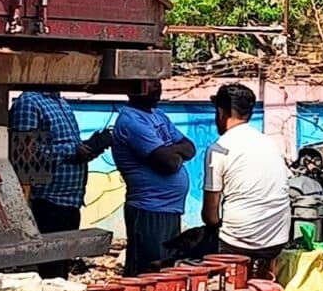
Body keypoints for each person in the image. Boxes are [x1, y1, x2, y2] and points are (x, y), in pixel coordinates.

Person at [106, 81, 197, 273]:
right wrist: (174, 152)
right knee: (148, 271)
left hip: (169, 209)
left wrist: (171, 151)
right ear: (133, 87)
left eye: (158, 81)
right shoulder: (131, 122)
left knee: (165, 271)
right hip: (149, 209)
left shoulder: (159, 115)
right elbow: (169, 163)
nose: (157, 86)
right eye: (151, 82)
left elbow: (190, 148)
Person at [202, 83, 292, 268]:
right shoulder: (270, 143)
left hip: (237, 244)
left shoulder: (219, 149)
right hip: (277, 241)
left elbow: (210, 216)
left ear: (221, 112)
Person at [10, 89, 101, 233]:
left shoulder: (61, 102)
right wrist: (72, 151)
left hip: (71, 202)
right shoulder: (29, 102)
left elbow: (68, 146)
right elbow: (25, 154)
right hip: (46, 203)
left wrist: (86, 151)